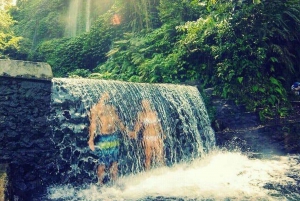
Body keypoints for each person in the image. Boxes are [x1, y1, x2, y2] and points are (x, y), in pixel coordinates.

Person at [88, 92, 126, 185]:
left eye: (108, 94)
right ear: (100, 95)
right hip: (103, 138)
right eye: (105, 94)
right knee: (102, 163)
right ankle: (100, 183)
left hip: (113, 137)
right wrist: (91, 140)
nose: (107, 95)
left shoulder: (111, 108)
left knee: (114, 162)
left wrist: (126, 131)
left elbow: (118, 121)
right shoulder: (95, 108)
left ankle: (114, 183)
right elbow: (93, 124)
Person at [131, 99, 165, 170]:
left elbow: (158, 125)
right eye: (143, 104)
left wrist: (162, 133)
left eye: (146, 103)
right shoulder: (141, 115)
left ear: (149, 103)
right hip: (147, 138)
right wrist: (134, 133)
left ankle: (162, 172)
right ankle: (148, 174)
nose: (145, 105)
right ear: (141, 105)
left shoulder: (154, 113)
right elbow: (138, 126)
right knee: (148, 157)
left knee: (160, 156)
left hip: (157, 137)